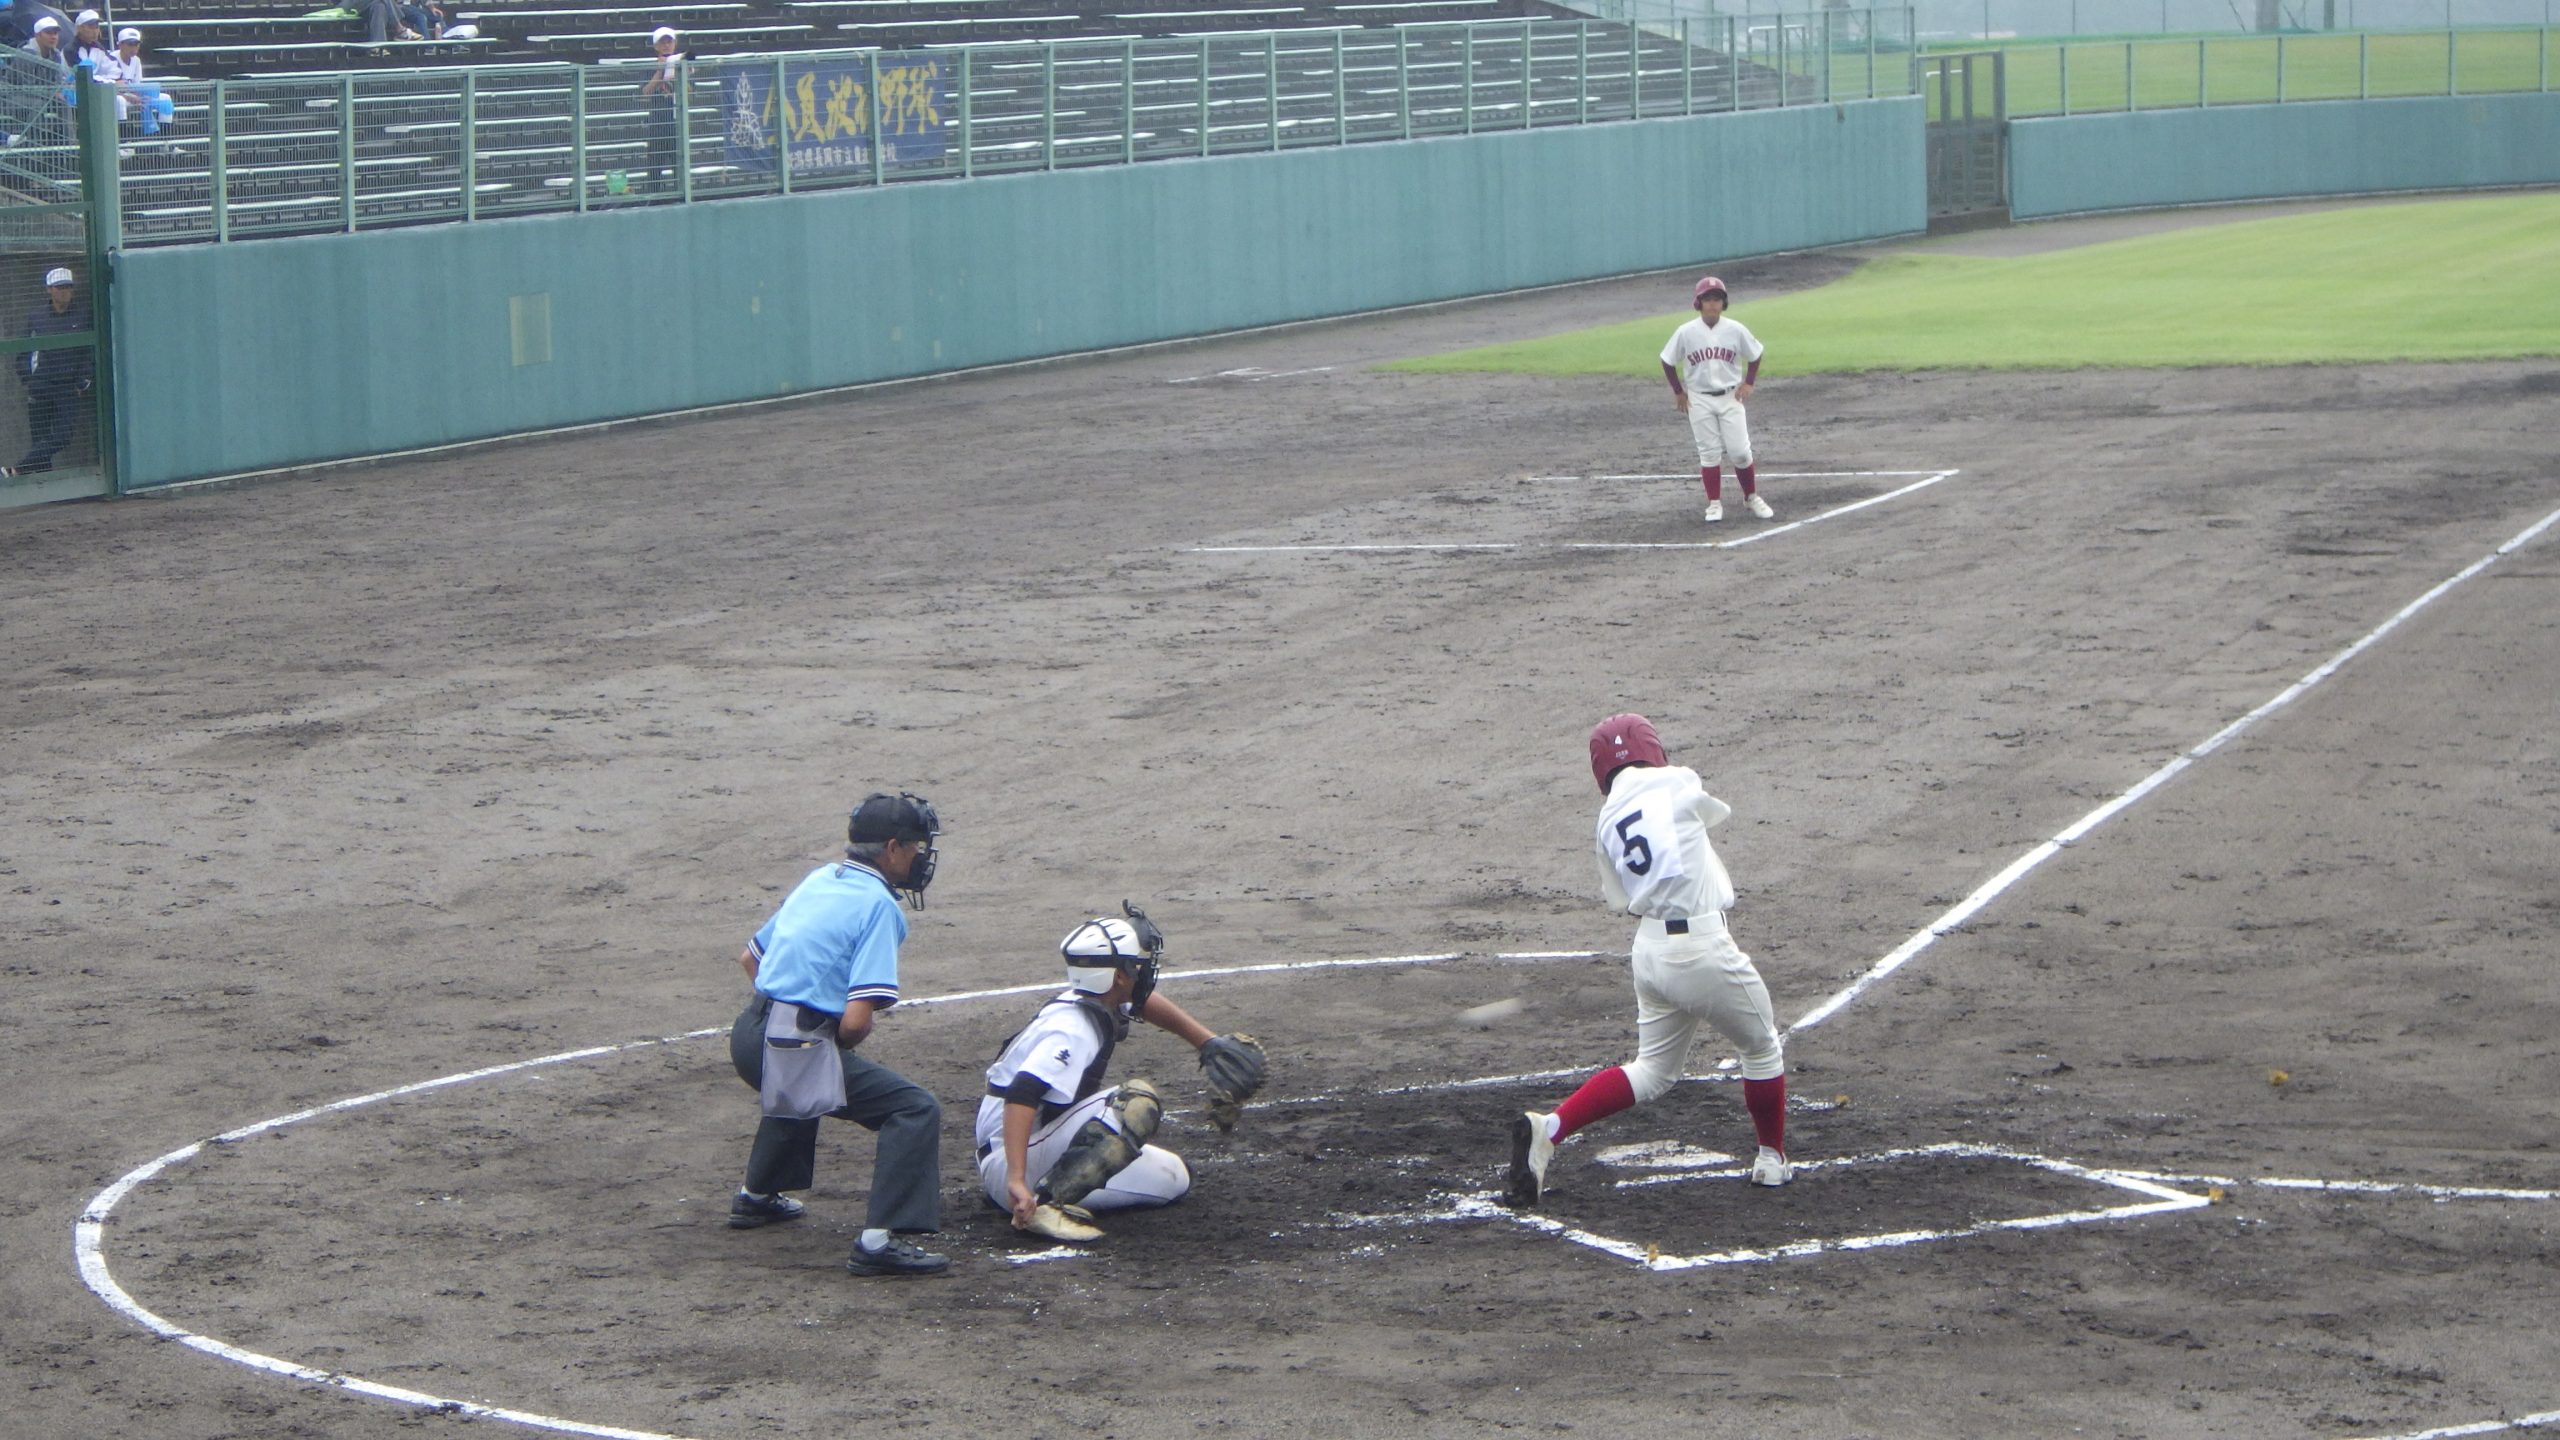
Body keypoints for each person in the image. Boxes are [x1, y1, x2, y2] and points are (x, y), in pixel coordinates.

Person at [1507, 714, 1792, 1208]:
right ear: (1652, 748)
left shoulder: (1606, 820)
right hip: (1703, 948)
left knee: (1653, 1069)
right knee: (1762, 1048)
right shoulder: (1678, 781)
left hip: (1650, 953)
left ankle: (1549, 1129)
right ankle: (1771, 1159)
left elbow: (1620, 898)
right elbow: (1714, 813)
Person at [727, 791, 953, 1278]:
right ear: (892, 848)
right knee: (913, 1109)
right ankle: (879, 1241)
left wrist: (790, 1023)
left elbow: (750, 959)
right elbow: (855, 1021)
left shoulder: (819, 878)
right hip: (786, 1045)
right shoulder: (880, 907)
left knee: (803, 1071)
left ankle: (757, 1195)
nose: (919, 858)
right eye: (915, 847)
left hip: (748, 1033)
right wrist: (822, 1041)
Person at [974, 906, 1267, 1243]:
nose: (1141, 971)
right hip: (1013, 1160)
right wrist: (1015, 1179)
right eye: (1134, 965)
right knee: (1133, 1102)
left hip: (1035, 1147)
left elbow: (1143, 1003)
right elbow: (1021, 1093)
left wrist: (1206, 1042)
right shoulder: (1072, 1029)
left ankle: (1040, 1191)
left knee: (1174, 1177)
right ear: (1119, 977)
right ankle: (1046, 1204)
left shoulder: (1094, 997)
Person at [1659, 275, 1771, 524]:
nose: (1712, 304)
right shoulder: (1686, 332)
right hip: (1699, 399)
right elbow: (1667, 360)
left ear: (1723, 303)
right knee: (1709, 454)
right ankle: (1714, 504)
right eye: (1707, 299)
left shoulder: (1735, 329)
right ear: (1698, 303)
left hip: (1731, 397)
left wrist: (1749, 382)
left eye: (1717, 299)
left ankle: (1751, 496)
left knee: (1740, 452)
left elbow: (1755, 354)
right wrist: (1678, 391)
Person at [4, 267, 91, 479]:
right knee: (40, 438)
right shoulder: (37, 317)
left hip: (68, 387)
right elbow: (24, 349)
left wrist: (83, 380)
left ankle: (17, 469)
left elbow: (89, 350)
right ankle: (44, 485)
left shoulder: (84, 315)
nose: (65, 292)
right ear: (49, 290)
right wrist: (28, 379)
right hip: (41, 385)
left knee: (63, 436)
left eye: (68, 287)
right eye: (60, 287)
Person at [638, 26, 683, 193]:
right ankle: (655, 196)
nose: (666, 45)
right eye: (662, 42)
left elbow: (691, 91)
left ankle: (681, 196)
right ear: (656, 46)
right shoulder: (650, 67)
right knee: (655, 167)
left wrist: (679, 73)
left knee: (679, 165)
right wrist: (660, 71)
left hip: (677, 123)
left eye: (669, 42)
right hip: (657, 123)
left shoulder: (682, 65)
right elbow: (645, 92)